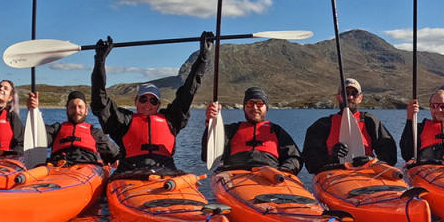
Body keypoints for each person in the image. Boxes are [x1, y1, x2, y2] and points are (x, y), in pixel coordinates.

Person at [91, 32, 213, 176]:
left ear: (158, 104)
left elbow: (188, 91)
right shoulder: (123, 122)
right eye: (143, 99)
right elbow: (100, 99)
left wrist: (203, 58)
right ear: (136, 101)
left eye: (153, 101)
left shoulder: (171, 120)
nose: (148, 104)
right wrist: (100, 61)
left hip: (166, 172)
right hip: (129, 173)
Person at [302, 77, 398, 174]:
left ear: (360, 98)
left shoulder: (370, 121)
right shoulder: (322, 125)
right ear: (338, 97)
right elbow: (311, 163)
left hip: (368, 173)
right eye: (345, 93)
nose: (350, 97)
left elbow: (390, 155)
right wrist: (332, 158)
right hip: (333, 174)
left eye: (354, 94)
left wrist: (373, 161)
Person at [201, 86, 302, 173]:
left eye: (259, 104)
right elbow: (207, 156)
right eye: (250, 104)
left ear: (266, 108)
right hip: (234, 174)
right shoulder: (231, 130)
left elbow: (294, 157)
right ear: (244, 108)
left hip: (270, 174)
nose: (254, 108)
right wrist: (211, 123)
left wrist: (284, 170)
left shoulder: (277, 131)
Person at [26, 89, 119, 165]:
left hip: (86, 168)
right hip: (57, 167)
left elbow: (115, 155)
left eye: (80, 107)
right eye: (72, 107)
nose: (76, 110)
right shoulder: (56, 129)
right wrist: (34, 111)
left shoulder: (95, 132)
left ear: (86, 111)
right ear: (67, 110)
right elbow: (37, 137)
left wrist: (116, 161)